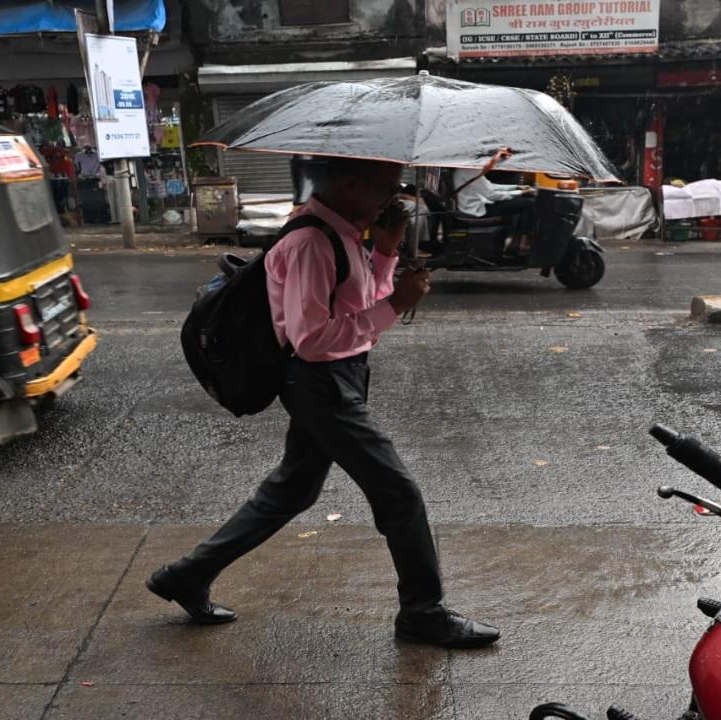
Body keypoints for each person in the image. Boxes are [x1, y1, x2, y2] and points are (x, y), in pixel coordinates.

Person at [147, 156, 502, 650]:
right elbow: (312, 340)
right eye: (384, 187)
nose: (391, 198)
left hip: (341, 377)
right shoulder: (312, 241)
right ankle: (423, 613)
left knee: (291, 491)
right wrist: (395, 305)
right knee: (398, 493)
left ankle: (185, 576)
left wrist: (386, 252)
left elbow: (358, 304)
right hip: (320, 383)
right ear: (349, 183)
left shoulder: (345, 233)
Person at [451, 167, 536, 254]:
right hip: (476, 210)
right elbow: (490, 194)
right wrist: (520, 193)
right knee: (528, 203)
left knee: (522, 202)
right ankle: (522, 243)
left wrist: (517, 187)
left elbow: (490, 186)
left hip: (477, 206)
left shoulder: (466, 170)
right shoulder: (470, 171)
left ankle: (516, 242)